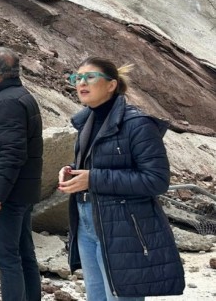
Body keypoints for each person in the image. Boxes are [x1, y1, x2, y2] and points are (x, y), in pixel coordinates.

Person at [58, 58, 184, 300]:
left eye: (90, 77)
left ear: (111, 85)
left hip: (123, 226)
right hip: (87, 221)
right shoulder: (86, 121)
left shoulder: (137, 124)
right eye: (77, 78)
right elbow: (103, 165)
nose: (81, 83)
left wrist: (93, 179)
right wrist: (73, 170)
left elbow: (156, 179)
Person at [0, 47, 44, 301]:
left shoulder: (6, 102)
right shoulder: (19, 96)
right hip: (21, 191)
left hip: (7, 195)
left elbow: (13, 153)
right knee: (24, 253)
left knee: (7, 259)